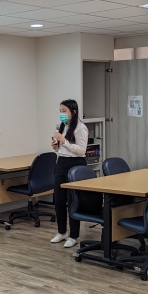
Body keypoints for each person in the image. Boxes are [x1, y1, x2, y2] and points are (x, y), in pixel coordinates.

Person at [50, 99, 89, 248]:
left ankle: (73, 236)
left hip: (75, 165)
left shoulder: (80, 128)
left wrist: (64, 141)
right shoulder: (60, 126)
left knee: (72, 201)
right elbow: (61, 147)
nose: (61, 114)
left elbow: (81, 150)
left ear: (73, 111)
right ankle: (61, 232)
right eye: (60, 111)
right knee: (59, 200)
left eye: (64, 111)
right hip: (61, 162)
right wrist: (56, 145)